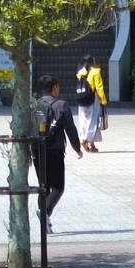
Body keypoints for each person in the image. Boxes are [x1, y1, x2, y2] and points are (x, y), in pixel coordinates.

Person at [32, 74, 83, 222]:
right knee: (58, 187)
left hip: (36, 149)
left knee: (43, 186)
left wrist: (29, 151)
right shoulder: (61, 105)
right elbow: (70, 129)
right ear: (54, 87)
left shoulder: (34, 106)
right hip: (55, 150)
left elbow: (29, 129)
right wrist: (77, 148)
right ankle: (45, 214)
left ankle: (44, 221)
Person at [74, 55, 108, 153]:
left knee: (84, 120)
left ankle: (91, 144)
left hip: (82, 99)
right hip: (93, 99)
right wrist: (103, 100)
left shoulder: (80, 73)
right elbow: (99, 87)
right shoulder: (95, 72)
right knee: (93, 120)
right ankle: (86, 140)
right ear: (93, 63)